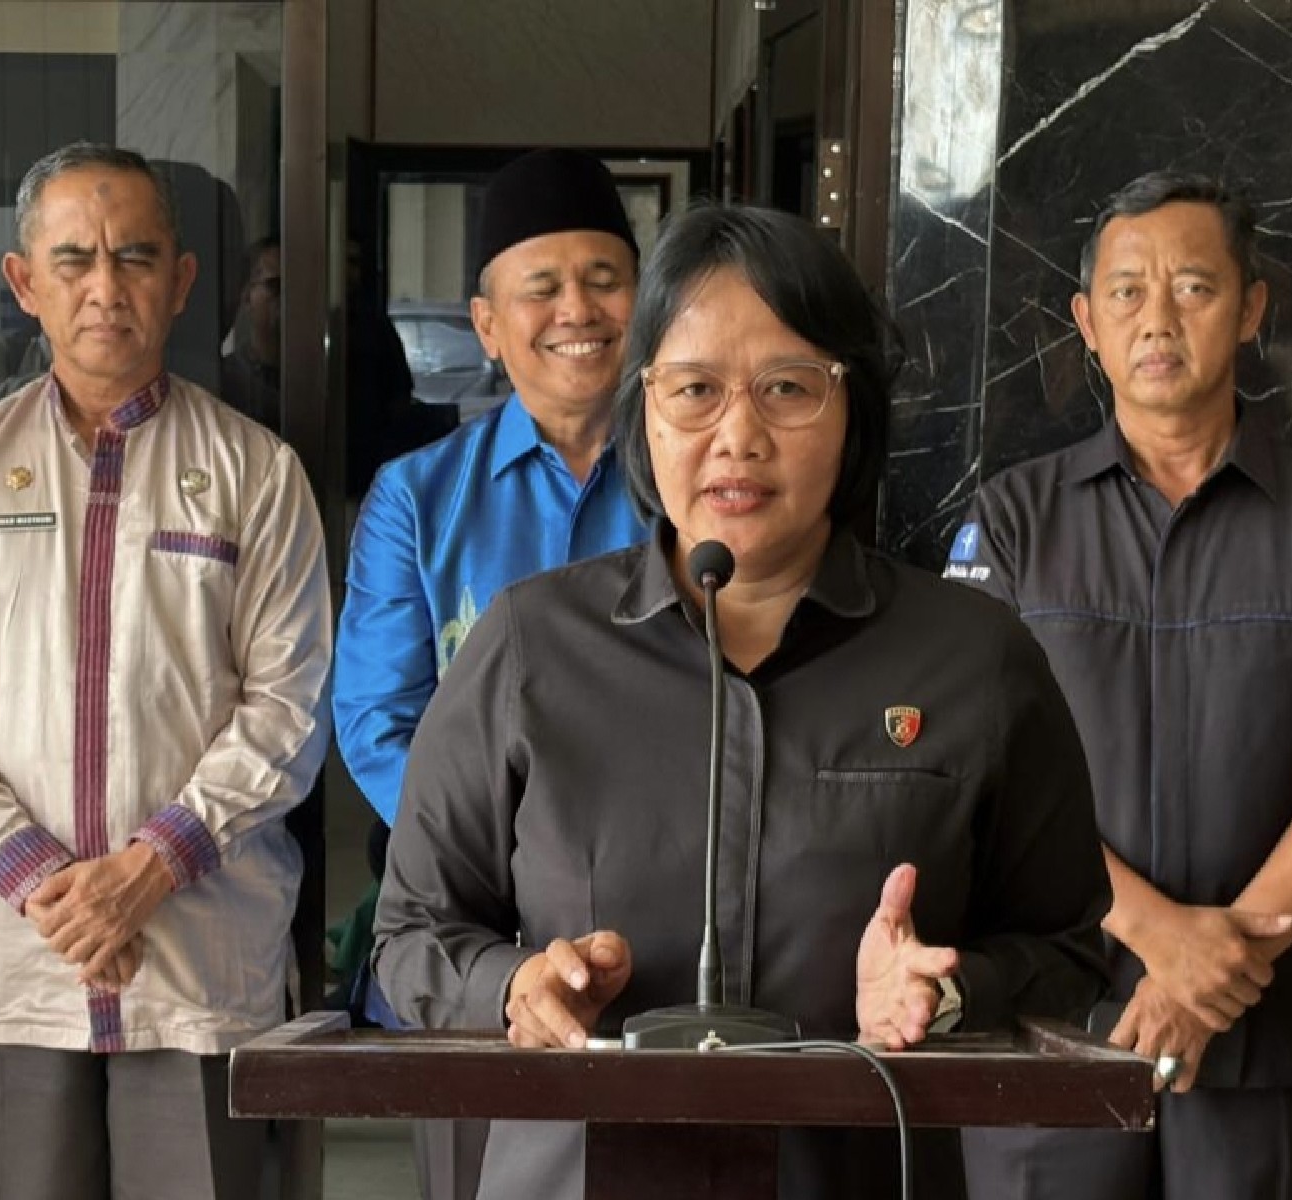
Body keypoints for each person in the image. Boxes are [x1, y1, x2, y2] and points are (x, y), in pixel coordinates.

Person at [372, 203, 1113, 1200]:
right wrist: (515, 987)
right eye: (695, 390)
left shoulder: (973, 658)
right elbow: (413, 934)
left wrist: (946, 992)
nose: (738, 436)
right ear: (644, 407)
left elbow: (1066, 943)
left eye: (786, 389)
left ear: (852, 409)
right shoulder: (529, 646)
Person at [950, 171, 1292, 1200]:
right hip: (1053, 1016)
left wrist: (1213, 977)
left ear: (1252, 309)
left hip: (1267, 1026)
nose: (1158, 318)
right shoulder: (1013, 522)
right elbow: (977, 778)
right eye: (1127, 291)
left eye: (1194, 287)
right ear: (1086, 323)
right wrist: (1163, 938)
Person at [0, 141, 331, 1200]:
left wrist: (152, 867)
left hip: (197, 962)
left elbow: (292, 702)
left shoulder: (256, 475)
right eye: (73, 259)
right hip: (21, 961)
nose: (104, 287)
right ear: (24, 281)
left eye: (135, 257)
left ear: (182, 280)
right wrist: (42, 881)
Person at [331, 147, 647, 1199]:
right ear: (487, 324)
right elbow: (378, 721)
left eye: (603, 279)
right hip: (471, 941)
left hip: (659, 937)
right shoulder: (417, 499)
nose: (577, 310)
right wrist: (505, 874)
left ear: (644, 302)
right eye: (541, 287)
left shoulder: (700, 484)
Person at [220, 234, 281, 431]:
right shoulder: (223, 380)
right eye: (276, 286)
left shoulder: (320, 378)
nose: (288, 298)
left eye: (296, 286)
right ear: (247, 296)